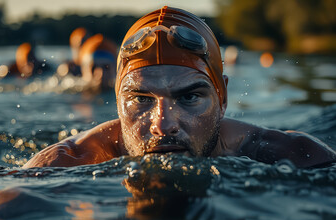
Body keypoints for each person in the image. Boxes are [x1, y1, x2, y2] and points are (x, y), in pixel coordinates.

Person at [22, 6, 335, 169]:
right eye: (142, 99)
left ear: (222, 97)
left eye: (188, 97)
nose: (164, 125)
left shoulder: (295, 155)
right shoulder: (66, 162)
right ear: (118, 101)